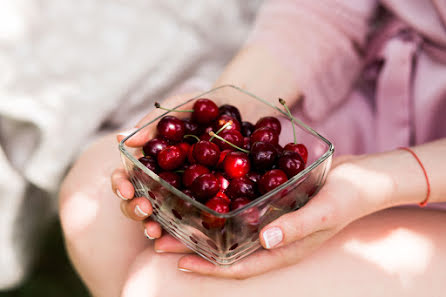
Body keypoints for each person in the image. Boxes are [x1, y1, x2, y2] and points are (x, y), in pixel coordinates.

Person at [60, 0, 446, 296]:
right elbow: (323, 13)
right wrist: (232, 108)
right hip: (374, 105)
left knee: (166, 284)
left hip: (430, 173)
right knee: (95, 197)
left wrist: (384, 181)